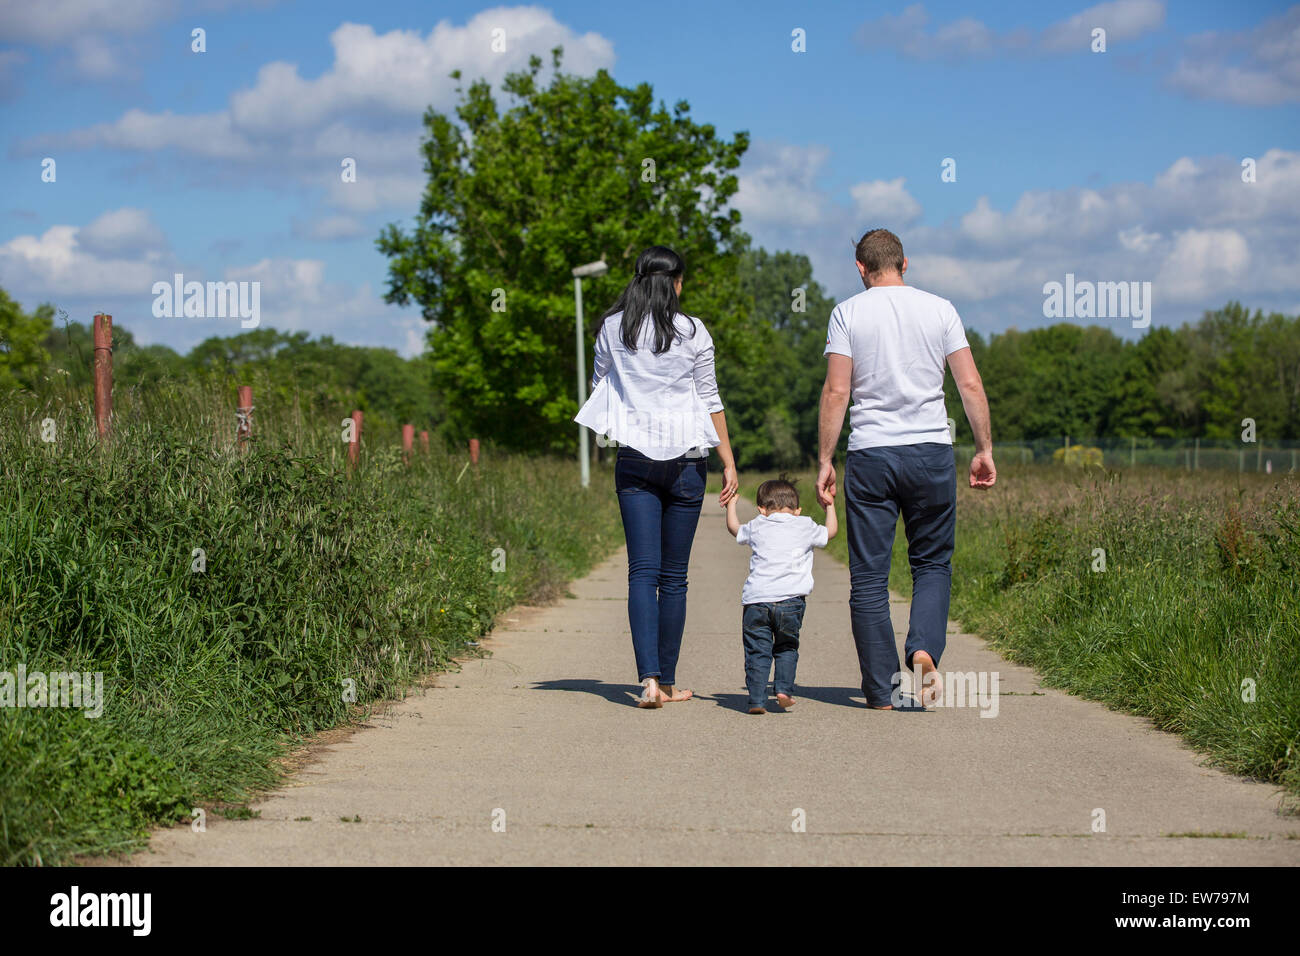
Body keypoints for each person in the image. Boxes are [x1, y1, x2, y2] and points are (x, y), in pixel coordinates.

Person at [815, 229, 996, 710]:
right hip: (931, 452)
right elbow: (970, 383)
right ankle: (922, 649)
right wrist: (983, 449)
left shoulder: (847, 313)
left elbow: (837, 392)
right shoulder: (941, 309)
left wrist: (825, 459)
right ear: (904, 263)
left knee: (869, 578)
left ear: (861, 269)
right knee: (932, 564)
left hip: (872, 454)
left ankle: (880, 691)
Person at [575, 245, 739, 708]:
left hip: (634, 461)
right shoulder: (694, 331)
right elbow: (710, 399)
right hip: (687, 462)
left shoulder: (612, 327)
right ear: (677, 283)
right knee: (675, 578)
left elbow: (599, 385)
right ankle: (667, 681)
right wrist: (728, 461)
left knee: (641, 573)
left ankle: (647, 680)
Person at [725, 476, 836, 714]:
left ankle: (756, 700)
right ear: (797, 510)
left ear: (762, 509)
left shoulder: (757, 524)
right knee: (786, 647)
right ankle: (783, 690)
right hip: (791, 602)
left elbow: (735, 529)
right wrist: (830, 506)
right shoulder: (805, 524)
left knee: (757, 650)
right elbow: (831, 532)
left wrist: (731, 504)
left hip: (757, 601)